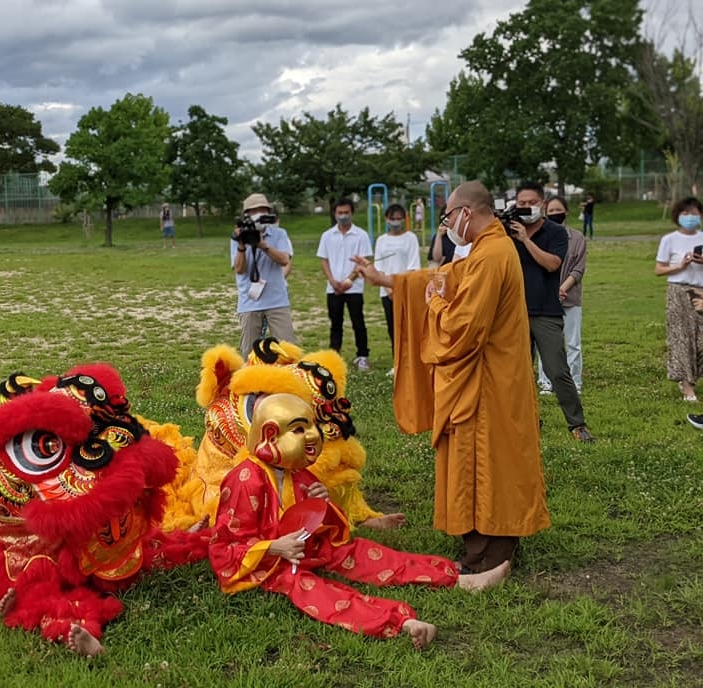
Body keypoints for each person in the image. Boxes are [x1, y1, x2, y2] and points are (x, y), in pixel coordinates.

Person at [352, 180, 551, 573]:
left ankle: (493, 553)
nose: (447, 226)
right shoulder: (484, 250)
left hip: (489, 382)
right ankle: (483, 545)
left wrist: (437, 306)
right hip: (487, 378)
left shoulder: (492, 254)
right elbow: (446, 277)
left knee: (488, 460)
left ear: (466, 213)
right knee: (479, 458)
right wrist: (386, 281)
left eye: (447, 218)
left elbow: (463, 328)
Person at [209, 393, 510, 649]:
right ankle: (401, 622)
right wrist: (275, 548)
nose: (313, 436)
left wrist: (322, 502)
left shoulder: (293, 468)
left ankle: (457, 578)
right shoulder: (246, 480)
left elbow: (320, 526)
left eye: (311, 426)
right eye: (300, 430)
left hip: (305, 548)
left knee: (358, 551)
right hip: (268, 565)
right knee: (310, 587)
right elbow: (226, 546)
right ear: (271, 435)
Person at [508, 181, 594, 443]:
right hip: (514, 312)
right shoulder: (505, 231)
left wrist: (525, 239)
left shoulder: (556, 233)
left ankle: (577, 424)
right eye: (521, 203)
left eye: (531, 203)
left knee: (557, 369)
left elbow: (552, 264)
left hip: (546, 311)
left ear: (543, 205)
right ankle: (528, 420)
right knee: (518, 372)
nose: (526, 208)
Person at [232, 193, 296, 358]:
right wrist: (241, 245)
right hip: (250, 302)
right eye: (253, 211)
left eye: (262, 210)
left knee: (287, 350)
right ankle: (252, 382)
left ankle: (287, 381)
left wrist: (262, 245)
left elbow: (284, 260)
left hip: (276, 300)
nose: (258, 214)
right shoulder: (237, 237)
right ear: (246, 214)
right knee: (249, 353)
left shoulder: (279, 234)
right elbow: (239, 269)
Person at [654, 196, 703, 401]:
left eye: (694, 213)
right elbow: (659, 269)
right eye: (685, 213)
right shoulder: (669, 240)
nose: (690, 217)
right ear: (677, 216)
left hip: (700, 291)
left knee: (700, 340)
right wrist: (680, 266)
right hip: (677, 291)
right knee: (681, 338)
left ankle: (693, 377)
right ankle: (687, 385)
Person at [538, 196, 587, 394]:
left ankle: (574, 381)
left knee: (572, 343)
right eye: (551, 211)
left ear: (566, 212)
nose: (554, 214)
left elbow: (578, 269)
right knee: (547, 343)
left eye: (558, 210)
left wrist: (563, 288)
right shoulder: (540, 238)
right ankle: (546, 381)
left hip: (571, 298)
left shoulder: (577, 238)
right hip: (545, 298)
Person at [316, 198, 372, 370]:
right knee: (335, 323)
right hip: (333, 288)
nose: (343, 216)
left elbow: (364, 260)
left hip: (353, 288)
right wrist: (332, 281)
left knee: (358, 322)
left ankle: (362, 356)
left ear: (352, 213)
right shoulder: (327, 235)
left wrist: (349, 280)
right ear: (335, 214)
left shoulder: (361, 235)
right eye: (340, 213)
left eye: (346, 212)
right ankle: (334, 355)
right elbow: (324, 260)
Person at [373, 204, 421, 373]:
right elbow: (379, 267)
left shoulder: (411, 238)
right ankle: (397, 364)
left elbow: (413, 266)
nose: (395, 221)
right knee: (393, 328)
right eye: (392, 218)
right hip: (387, 292)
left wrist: (398, 287)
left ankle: (412, 363)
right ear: (386, 219)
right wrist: (389, 289)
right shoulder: (381, 240)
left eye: (399, 218)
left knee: (408, 329)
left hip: (406, 290)